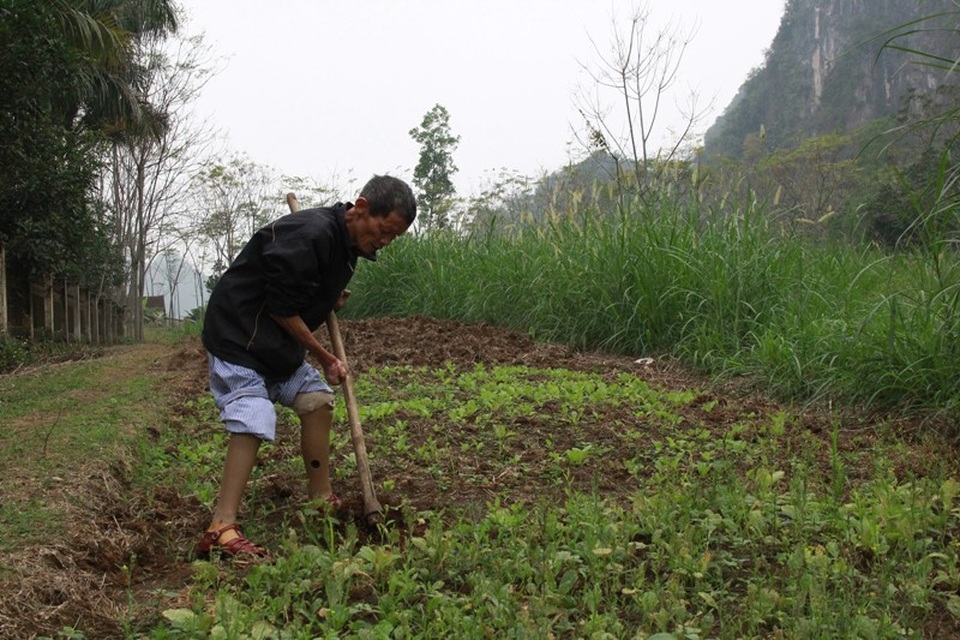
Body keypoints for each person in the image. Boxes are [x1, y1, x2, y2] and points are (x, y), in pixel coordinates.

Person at [197, 174, 416, 557]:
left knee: (318, 401)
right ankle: (221, 526)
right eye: (383, 230)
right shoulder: (309, 234)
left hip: (277, 348)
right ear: (361, 208)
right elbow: (281, 307)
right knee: (253, 415)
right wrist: (326, 356)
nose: (384, 242)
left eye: (393, 237)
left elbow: (301, 291)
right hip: (240, 339)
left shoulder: (348, 248)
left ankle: (320, 499)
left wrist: (328, 300)